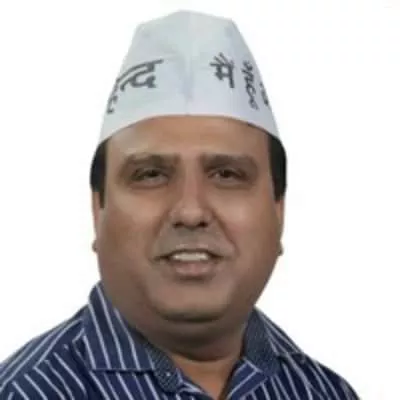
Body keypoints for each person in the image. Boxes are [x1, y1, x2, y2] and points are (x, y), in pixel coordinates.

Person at [0, 10, 359, 400]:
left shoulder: (322, 391)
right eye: (150, 175)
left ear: (279, 211)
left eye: (227, 175)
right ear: (97, 209)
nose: (190, 211)